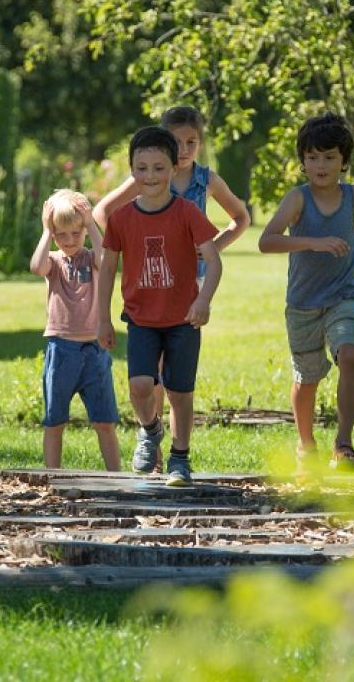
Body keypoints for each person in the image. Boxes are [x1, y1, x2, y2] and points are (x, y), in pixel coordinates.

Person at [93, 106, 249, 461]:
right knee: (146, 381)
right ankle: (152, 437)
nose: (183, 149)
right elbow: (105, 217)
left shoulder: (202, 184)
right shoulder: (145, 177)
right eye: (176, 141)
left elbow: (233, 227)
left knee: (175, 381)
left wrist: (206, 249)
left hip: (186, 289)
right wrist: (128, 242)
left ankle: (177, 453)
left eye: (191, 142)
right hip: (146, 291)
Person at [258, 112, 354, 471]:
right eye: (313, 157)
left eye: (330, 157)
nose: (321, 164)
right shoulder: (297, 199)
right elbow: (266, 241)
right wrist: (313, 242)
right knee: (307, 379)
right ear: (303, 161)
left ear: (345, 162)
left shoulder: (353, 195)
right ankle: (306, 446)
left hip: (342, 296)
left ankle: (344, 445)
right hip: (302, 304)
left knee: (350, 355)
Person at [29, 189, 120, 471]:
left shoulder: (93, 258)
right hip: (61, 349)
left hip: (94, 349)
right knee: (54, 421)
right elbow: (36, 266)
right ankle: (52, 476)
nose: (69, 241)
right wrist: (46, 231)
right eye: (61, 235)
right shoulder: (54, 262)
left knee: (104, 421)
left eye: (76, 233)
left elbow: (108, 262)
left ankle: (116, 477)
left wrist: (91, 224)